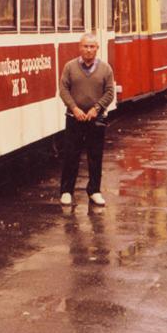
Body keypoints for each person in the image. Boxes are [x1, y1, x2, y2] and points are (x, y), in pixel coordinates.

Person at [58, 33, 115, 207]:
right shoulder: (70, 67)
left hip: (95, 119)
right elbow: (63, 89)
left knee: (95, 156)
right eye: (85, 46)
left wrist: (96, 109)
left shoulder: (106, 69)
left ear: (97, 48)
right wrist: (74, 108)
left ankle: (94, 191)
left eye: (92, 46)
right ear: (79, 47)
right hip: (74, 118)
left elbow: (109, 92)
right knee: (71, 155)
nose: (88, 50)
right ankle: (67, 191)